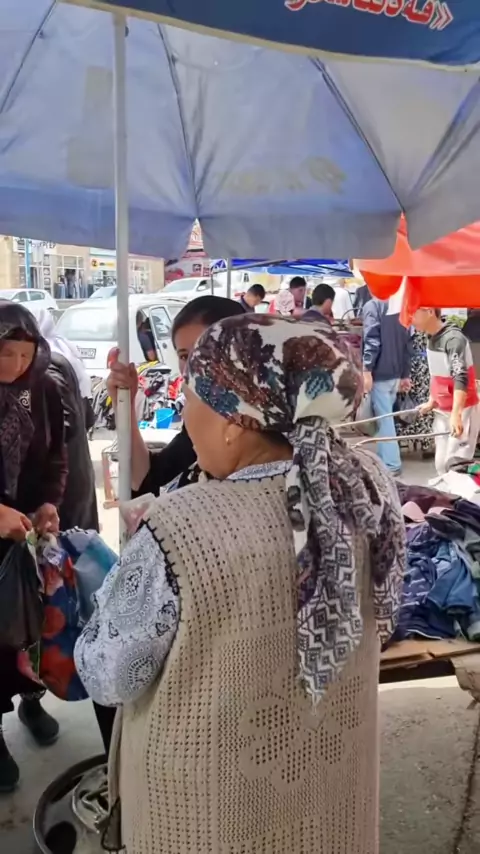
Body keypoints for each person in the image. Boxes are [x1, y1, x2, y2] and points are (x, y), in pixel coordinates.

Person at [75, 315, 404, 854]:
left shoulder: (182, 527)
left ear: (235, 420)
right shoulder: (367, 487)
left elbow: (109, 676)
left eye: (192, 396)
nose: (186, 416)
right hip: (331, 795)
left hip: (209, 814)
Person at [0, 303, 67, 792]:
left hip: (27, 532)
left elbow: (57, 456)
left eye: (26, 354)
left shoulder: (42, 390)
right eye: (6, 352)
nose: (17, 364)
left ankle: (32, 700)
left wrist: (48, 503)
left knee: (34, 624)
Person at [107, 296, 245, 495]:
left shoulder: (264, 429)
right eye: (184, 356)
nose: (193, 366)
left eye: (204, 353)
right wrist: (124, 405)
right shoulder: (196, 424)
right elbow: (150, 480)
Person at [412, 308, 480, 475]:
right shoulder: (431, 337)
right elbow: (436, 374)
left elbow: (460, 377)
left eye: (413, 313)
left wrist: (457, 414)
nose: (410, 318)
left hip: (463, 409)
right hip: (442, 409)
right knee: (441, 463)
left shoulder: (453, 339)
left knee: (456, 463)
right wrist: (432, 400)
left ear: (429, 312)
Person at [362, 293, 413, 475]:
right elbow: (407, 343)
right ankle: (384, 459)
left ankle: (391, 464)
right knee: (386, 418)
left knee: (384, 420)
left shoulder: (373, 306)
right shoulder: (399, 305)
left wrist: (366, 369)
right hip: (395, 372)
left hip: (380, 372)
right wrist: (405, 374)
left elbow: (371, 340)